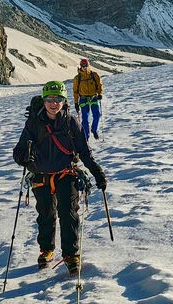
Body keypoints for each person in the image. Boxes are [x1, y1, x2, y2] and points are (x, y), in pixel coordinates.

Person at [12, 80, 106, 274]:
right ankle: (46, 249)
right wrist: (23, 157)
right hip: (41, 175)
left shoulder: (71, 123)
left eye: (58, 99)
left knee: (68, 213)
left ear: (64, 101)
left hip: (66, 173)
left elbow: (84, 152)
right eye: (49, 99)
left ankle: (71, 254)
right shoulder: (34, 123)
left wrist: (97, 172)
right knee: (45, 214)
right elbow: (19, 150)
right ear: (44, 100)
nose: (53, 103)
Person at [73, 58, 104, 140]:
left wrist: (100, 94)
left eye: (86, 65)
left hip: (94, 97)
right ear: (80, 66)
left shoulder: (94, 75)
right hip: (83, 99)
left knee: (97, 115)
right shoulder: (77, 78)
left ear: (88, 65)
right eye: (83, 66)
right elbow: (75, 91)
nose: (84, 67)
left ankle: (94, 130)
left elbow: (100, 85)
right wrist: (76, 103)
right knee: (85, 118)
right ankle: (86, 136)